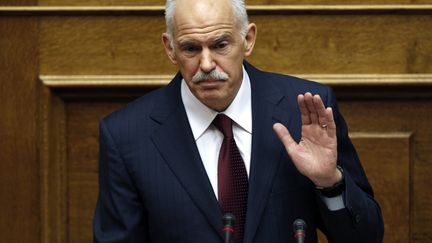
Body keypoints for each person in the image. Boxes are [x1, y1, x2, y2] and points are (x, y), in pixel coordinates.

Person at [93, 0, 384, 242]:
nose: (206, 64)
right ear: (170, 48)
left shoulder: (304, 111)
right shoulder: (127, 136)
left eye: (220, 45)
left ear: (248, 39)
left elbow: (366, 238)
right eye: (191, 48)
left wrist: (329, 183)